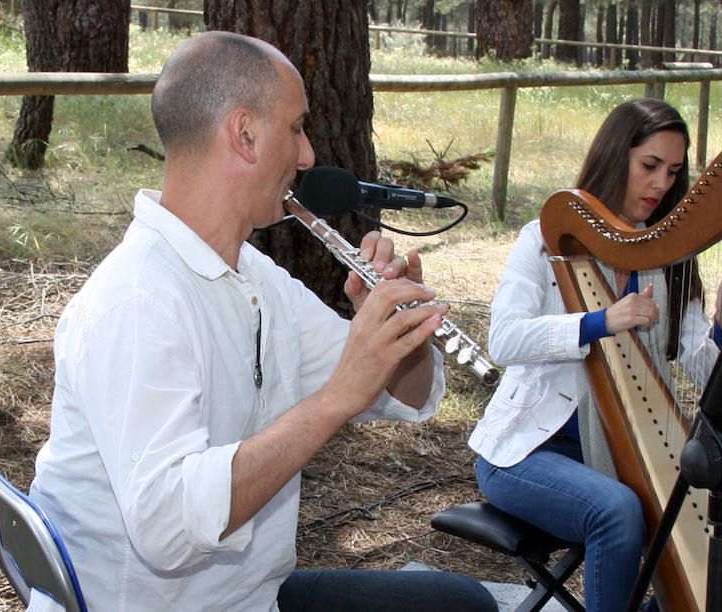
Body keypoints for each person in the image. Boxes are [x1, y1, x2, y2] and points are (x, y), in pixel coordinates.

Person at [27, 31, 496, 612]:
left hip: (252, 596)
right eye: (296, 128)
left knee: (458, 603)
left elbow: (405, 398)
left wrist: (403, 333)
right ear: (244, 134)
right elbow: (169, 531)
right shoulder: (137, 302)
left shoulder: (254, 275)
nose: (308, 157)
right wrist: (332, 402)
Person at [468, 99, 722, 611]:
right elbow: (504, 340)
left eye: (673, 171)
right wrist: (602, 321)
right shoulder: (544, 241)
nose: (661, 184)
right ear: (618, 158)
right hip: (527, 450)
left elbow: (700, 365)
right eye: (650, 166)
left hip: (627, 454)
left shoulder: (668, 256)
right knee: (616, 510)